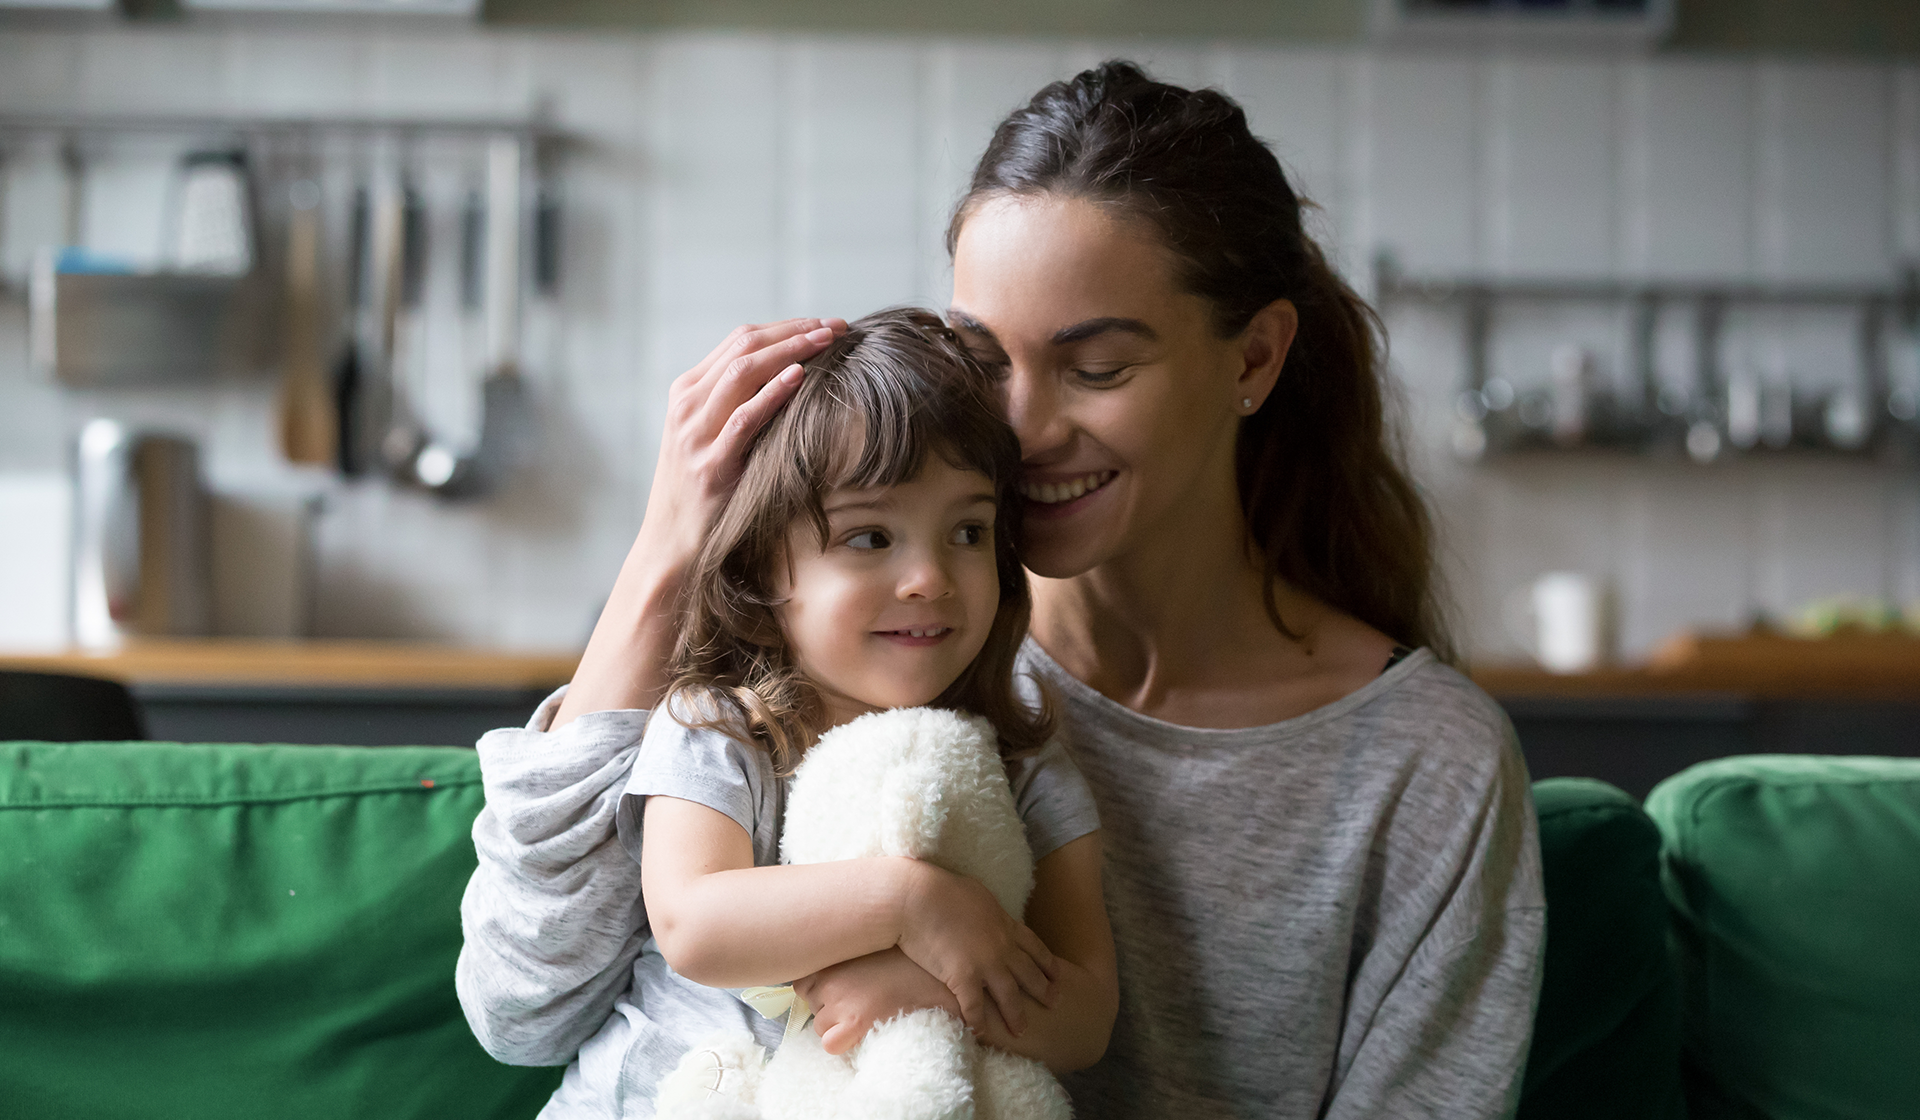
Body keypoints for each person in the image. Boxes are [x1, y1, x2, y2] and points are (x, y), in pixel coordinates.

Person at [534, 61, 1546, 1117]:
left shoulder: (1426, 764)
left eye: (1097, 368)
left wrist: (938, 991)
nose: (1022, 428)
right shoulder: (883, 645)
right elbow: (529, 1007)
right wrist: (666, 554)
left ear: (1254, 355)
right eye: (986, 360)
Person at [456, 309, 1117, 1118]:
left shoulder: (1024, 760)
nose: (930, 578)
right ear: (764, 569)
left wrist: (933, 992)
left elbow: (1085, 1019)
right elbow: (695, 923)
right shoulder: (720, 729)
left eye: (969, 531)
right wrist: (916, 903)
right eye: (871, 537)